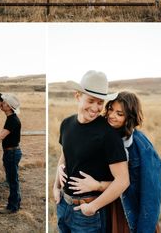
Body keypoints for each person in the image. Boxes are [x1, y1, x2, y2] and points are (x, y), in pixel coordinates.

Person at [63, 91, 161, 233]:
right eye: (110, 109)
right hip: (107, 204)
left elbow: (150, 193)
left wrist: (98, 185)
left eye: (119, 114)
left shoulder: (141, 146)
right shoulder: (105, 134)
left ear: (130, 117)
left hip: (128, 209)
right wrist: (63, 167)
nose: (111, 116)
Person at [53, 70, 130, 233]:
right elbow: (64, 156)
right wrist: (55, 187)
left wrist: (92, 207)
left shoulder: (108, 134)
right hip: (63, 205)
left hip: (88, 213)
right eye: (91, 101)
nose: (96, 108)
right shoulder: (66, 124)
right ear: (78, 96)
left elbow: (123, 180)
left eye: (100, 102)